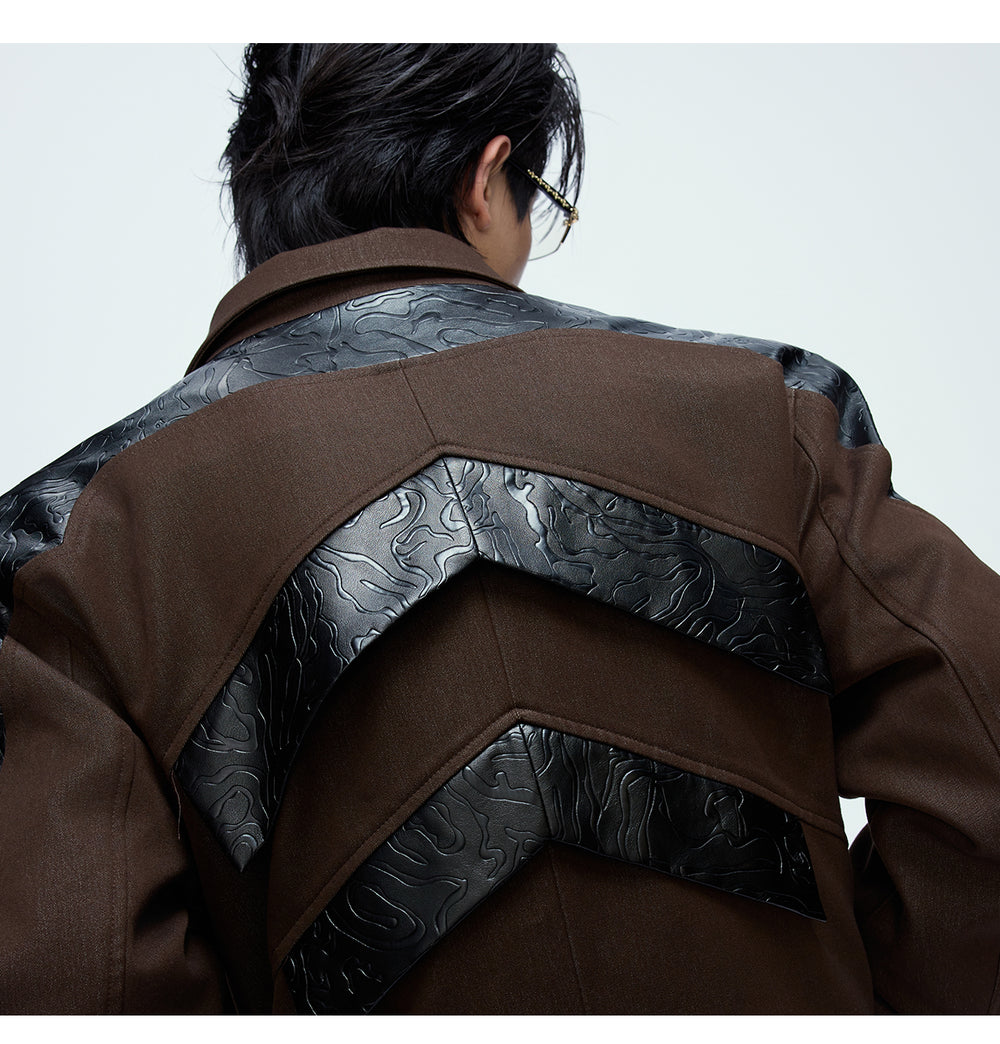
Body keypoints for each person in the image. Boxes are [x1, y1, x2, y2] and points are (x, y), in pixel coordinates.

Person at [0, 42, 997, 1015]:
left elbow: (78, 979)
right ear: (486, 181)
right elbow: (979, 739)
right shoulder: (768, 409)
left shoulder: (69, 543)